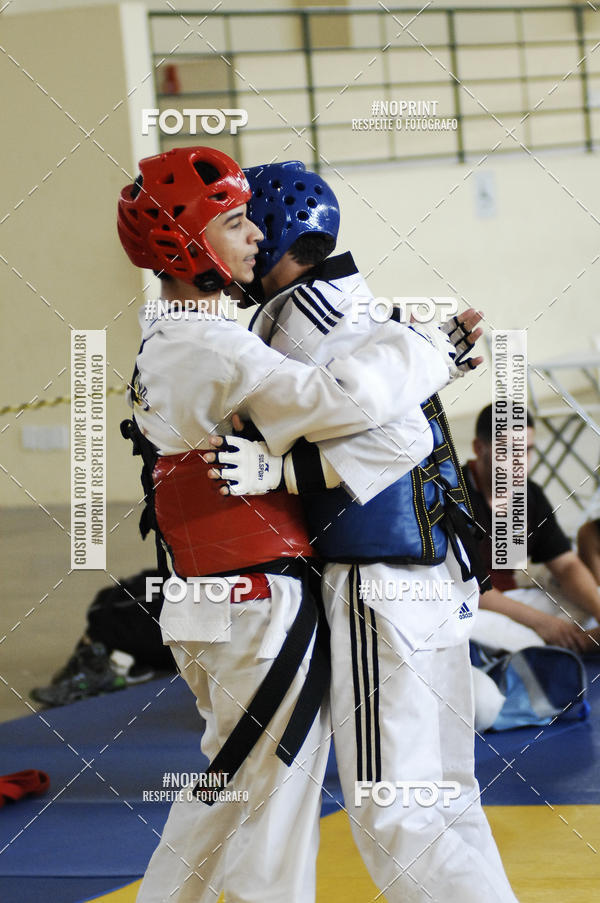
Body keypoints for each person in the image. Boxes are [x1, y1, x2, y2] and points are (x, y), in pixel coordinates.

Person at [117, 146, 456, 903]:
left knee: (230, 787)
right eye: (236, 223)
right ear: (188, 243)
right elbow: (347, 400)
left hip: (215, 595)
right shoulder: (211, 345)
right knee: (272, 808)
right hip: (254, 600)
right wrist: (434, 348)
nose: (255, 238)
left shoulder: (172, 336)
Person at [207, 161, 519, 903]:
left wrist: (280, 472)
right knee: (443, 799)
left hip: (379, 584)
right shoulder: (359, 310)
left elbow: (397, 439)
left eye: (246, 225)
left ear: (276, 233)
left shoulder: (301, 323)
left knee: (395, 812)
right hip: (429, 580)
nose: (240, 243)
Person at [464, 403, 600, 654]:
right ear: (479, 448)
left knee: (590, 598)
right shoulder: (455, 497)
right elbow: (469, 589)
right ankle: (559, 645)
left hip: (513, 600)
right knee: (463, 626)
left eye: (526, 451)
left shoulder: (529, 495)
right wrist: (542, 623)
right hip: (471, 604)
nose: (520, 464)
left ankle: (565, 644)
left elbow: (566, 564)